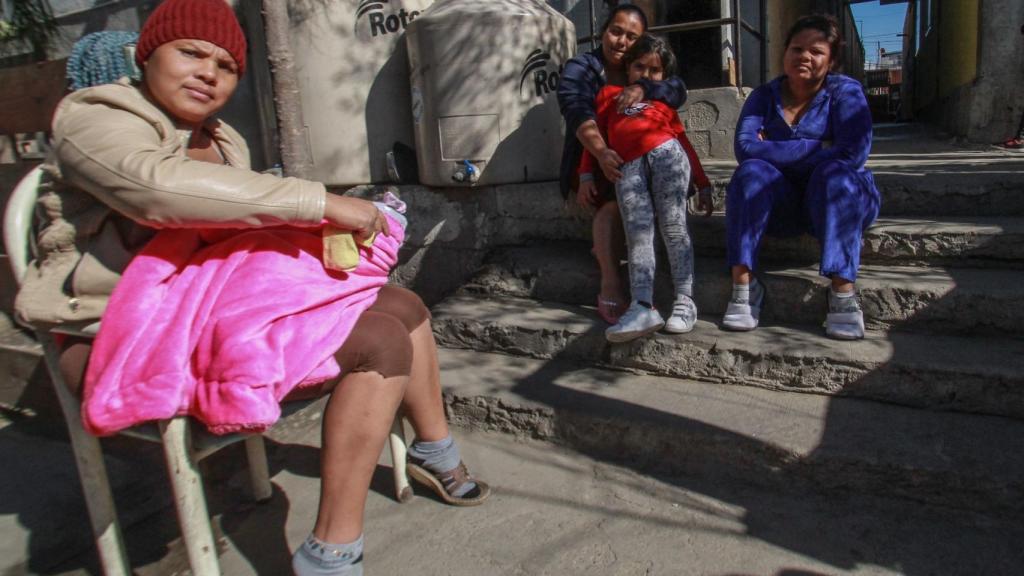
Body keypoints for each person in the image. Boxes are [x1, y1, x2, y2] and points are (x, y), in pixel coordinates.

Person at [13, 1, 488, 574]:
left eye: (225, 64)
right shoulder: (98, 117)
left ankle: (432, 448)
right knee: (380, 341)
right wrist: (321, 200)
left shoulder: (223, 140)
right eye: (189, 52)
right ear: (148, 56)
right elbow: (160, 190)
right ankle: (332, 552)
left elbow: (242, 230)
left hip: (214, 313)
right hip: (121, 335)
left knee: (403, 303)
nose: (208, 72)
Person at [722, 14, 880, 340]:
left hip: (838, 201)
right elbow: (745, 148)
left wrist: (777, 150)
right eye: (797, 48)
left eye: (816, 51)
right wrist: (819, 146)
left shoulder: (845, 93)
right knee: (750, 173)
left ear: (832, 60)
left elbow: (852, 153)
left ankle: (843, 294)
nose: (804, 56)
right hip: (786, 204)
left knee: (834, 174)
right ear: (784, 53)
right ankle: (744, 286)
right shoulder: (763, 97)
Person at [557, 4, 711, 325]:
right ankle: (613, 280)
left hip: (651, 161)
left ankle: (682, 295)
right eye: (616, 31)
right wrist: (596, 161)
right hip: (598, 156)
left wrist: (646, 87)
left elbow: (677, 93)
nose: (621, 41)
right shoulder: (583, 69)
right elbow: (580, 115)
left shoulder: (646, 74)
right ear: (603, 31)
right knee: (616, 206)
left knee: (669, 215)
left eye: (632, 36)